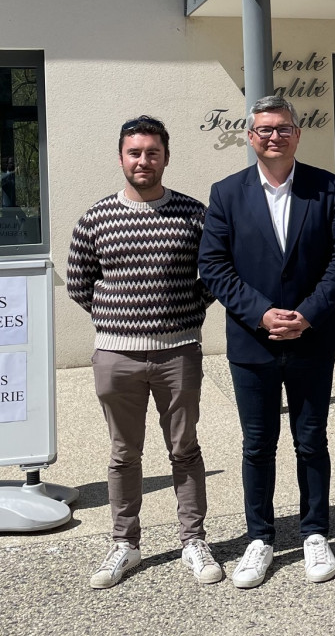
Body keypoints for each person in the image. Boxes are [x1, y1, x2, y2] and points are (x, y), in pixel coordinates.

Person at [198, 96, 335, 588]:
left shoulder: (326, 188)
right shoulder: (226, 193)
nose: (273, 136)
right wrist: (262, 313)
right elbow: (214, 266)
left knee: (311, 441)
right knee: (258, 444)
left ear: (296, 134)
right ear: (251, 137)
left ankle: (314, 532)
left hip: (311, 340)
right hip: (253, 343)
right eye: (264, 129)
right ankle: (260, 538)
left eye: (282, 128)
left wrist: (308, 314)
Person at [67, 115, 224, 589]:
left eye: (152, 152)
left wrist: (184, 313)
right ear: (121, 157)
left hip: (178, 352)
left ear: (166, 158)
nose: (143, 160)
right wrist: (122, 319)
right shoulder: (95, 218)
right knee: (123, 453)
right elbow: (80, 284)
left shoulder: (195, 215)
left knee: (185, 448)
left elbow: (212, 275)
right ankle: (124, 544)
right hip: (117, 356)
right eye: (134, 152)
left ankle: (193, 540)